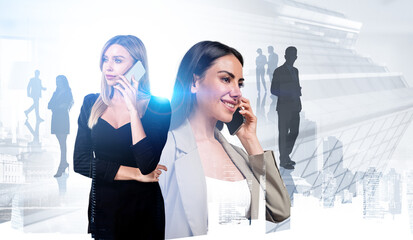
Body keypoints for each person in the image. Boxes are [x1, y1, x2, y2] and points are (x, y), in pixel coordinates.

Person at [159, 41, 290, 239]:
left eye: (240, 83)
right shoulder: (164, 148)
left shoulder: (238, 155)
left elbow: (279, 210)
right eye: (226, 79)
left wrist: (250, 139)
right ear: (194, 82)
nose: (237, 92)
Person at [73, 35, 171, 240]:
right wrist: (135, 174)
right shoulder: (91, 103)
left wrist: (133, 111)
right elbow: (81, 163)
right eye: (105, 59)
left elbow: (147, 164)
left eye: (117, 60)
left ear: (138, 67)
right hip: (104, 211)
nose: (108, 67)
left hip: (144, 212)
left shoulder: (159, 106)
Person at [270, 46, 302, 170]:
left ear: (296, 57)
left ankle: (285, 155)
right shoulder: (279, 71)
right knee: (283, 134)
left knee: (294, 132)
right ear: (285, 56)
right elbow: (274, 90)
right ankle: (283, 160)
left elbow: (296, 86)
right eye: (290, 55)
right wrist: (288, 93)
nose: (292, 58)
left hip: (295, 106)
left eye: (294, 55)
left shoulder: (296, 71)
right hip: (284, 107)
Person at [48, 75, 74, 177]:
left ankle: (62, 165)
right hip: (56, 119)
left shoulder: (68, 93)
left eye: (59, 81)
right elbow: (49, 105)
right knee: (61, 144)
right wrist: (59, 106)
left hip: (63, 119)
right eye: (56, 81)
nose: (57, 83)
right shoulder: (56, 93)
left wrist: (62, 106)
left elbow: (68, 104)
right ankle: (64, 163)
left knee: (63, 143)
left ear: (64, 82)